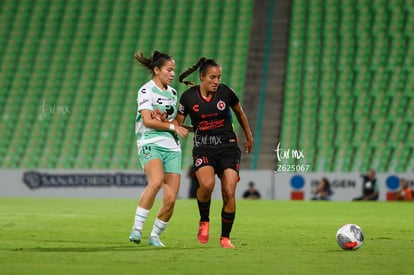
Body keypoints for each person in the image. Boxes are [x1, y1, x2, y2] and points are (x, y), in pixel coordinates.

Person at [175, 57, 254, 248]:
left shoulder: (226, 92)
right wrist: (178, 126)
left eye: (218, 77)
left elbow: (239, 112)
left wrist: (249, 135)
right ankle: (204, 221)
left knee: (229, 191)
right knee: (207, 185)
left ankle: (225, 238)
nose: (216, 81)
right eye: (212, 77)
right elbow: (177, 124)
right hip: (204, 147)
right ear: (202, 77)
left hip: (228, 147)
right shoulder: (188, 97)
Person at [129, 50, 188, 247]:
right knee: (155, 183)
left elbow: (170, 120)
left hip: (172, 147)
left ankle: (154, 235)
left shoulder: (172, 93)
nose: (173, 74)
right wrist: (172, 126)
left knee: (171, 198)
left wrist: (167, 121)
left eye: (174, 70)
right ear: (156, 70)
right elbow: (147, 121)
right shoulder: (146, 91)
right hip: (150, 142)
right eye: (169, 70)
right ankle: (137, 229)